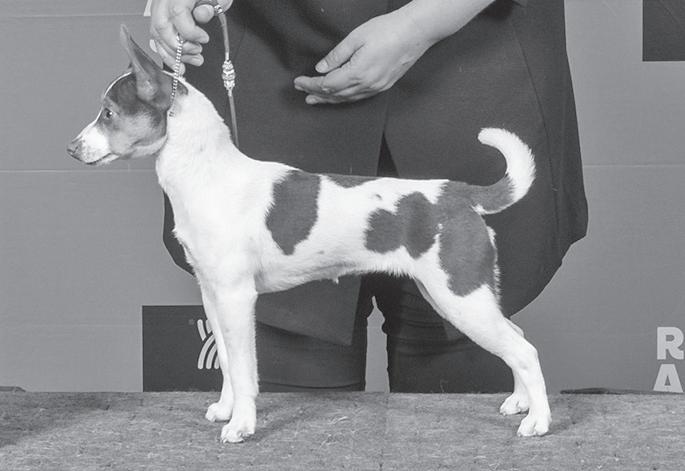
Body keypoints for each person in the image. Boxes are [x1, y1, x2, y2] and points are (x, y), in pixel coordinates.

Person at [149, 0, 588, 393]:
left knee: (459, 391)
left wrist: (420, 24)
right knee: (292, 407)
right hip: (274, 66)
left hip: (470, 59)